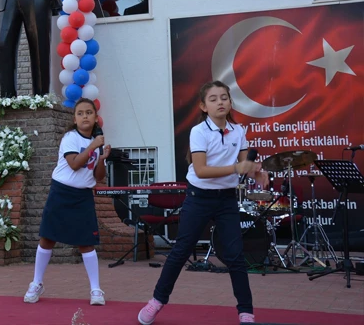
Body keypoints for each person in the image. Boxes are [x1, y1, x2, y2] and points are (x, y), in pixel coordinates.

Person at [137, 81, 267, 325]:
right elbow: (202, 170)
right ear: (203, 106)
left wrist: (256, 172)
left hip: (226, 200)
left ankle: (246, 312)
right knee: (180, 251)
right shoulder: (199, 131)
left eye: (224, 98)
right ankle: (156, 301)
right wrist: (238, 168)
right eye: (214, 99)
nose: (220, 102)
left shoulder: (238, 131)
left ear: (230, 103)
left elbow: (244, 165)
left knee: (236, 256)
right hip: (199, 198)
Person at [23, 98, 111, 306]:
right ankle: (36, 283)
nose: (85, 117)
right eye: (80, 113)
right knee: (47, 238)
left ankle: (96, 289)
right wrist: (93, 147)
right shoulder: (70, 138)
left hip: (82, 196)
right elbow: (74, 164)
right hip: (61, 192)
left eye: (89, 112)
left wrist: (102, 158)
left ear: (95, 117)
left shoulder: (96, 142)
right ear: (74, 118)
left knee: (86, 243)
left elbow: (98, 177)